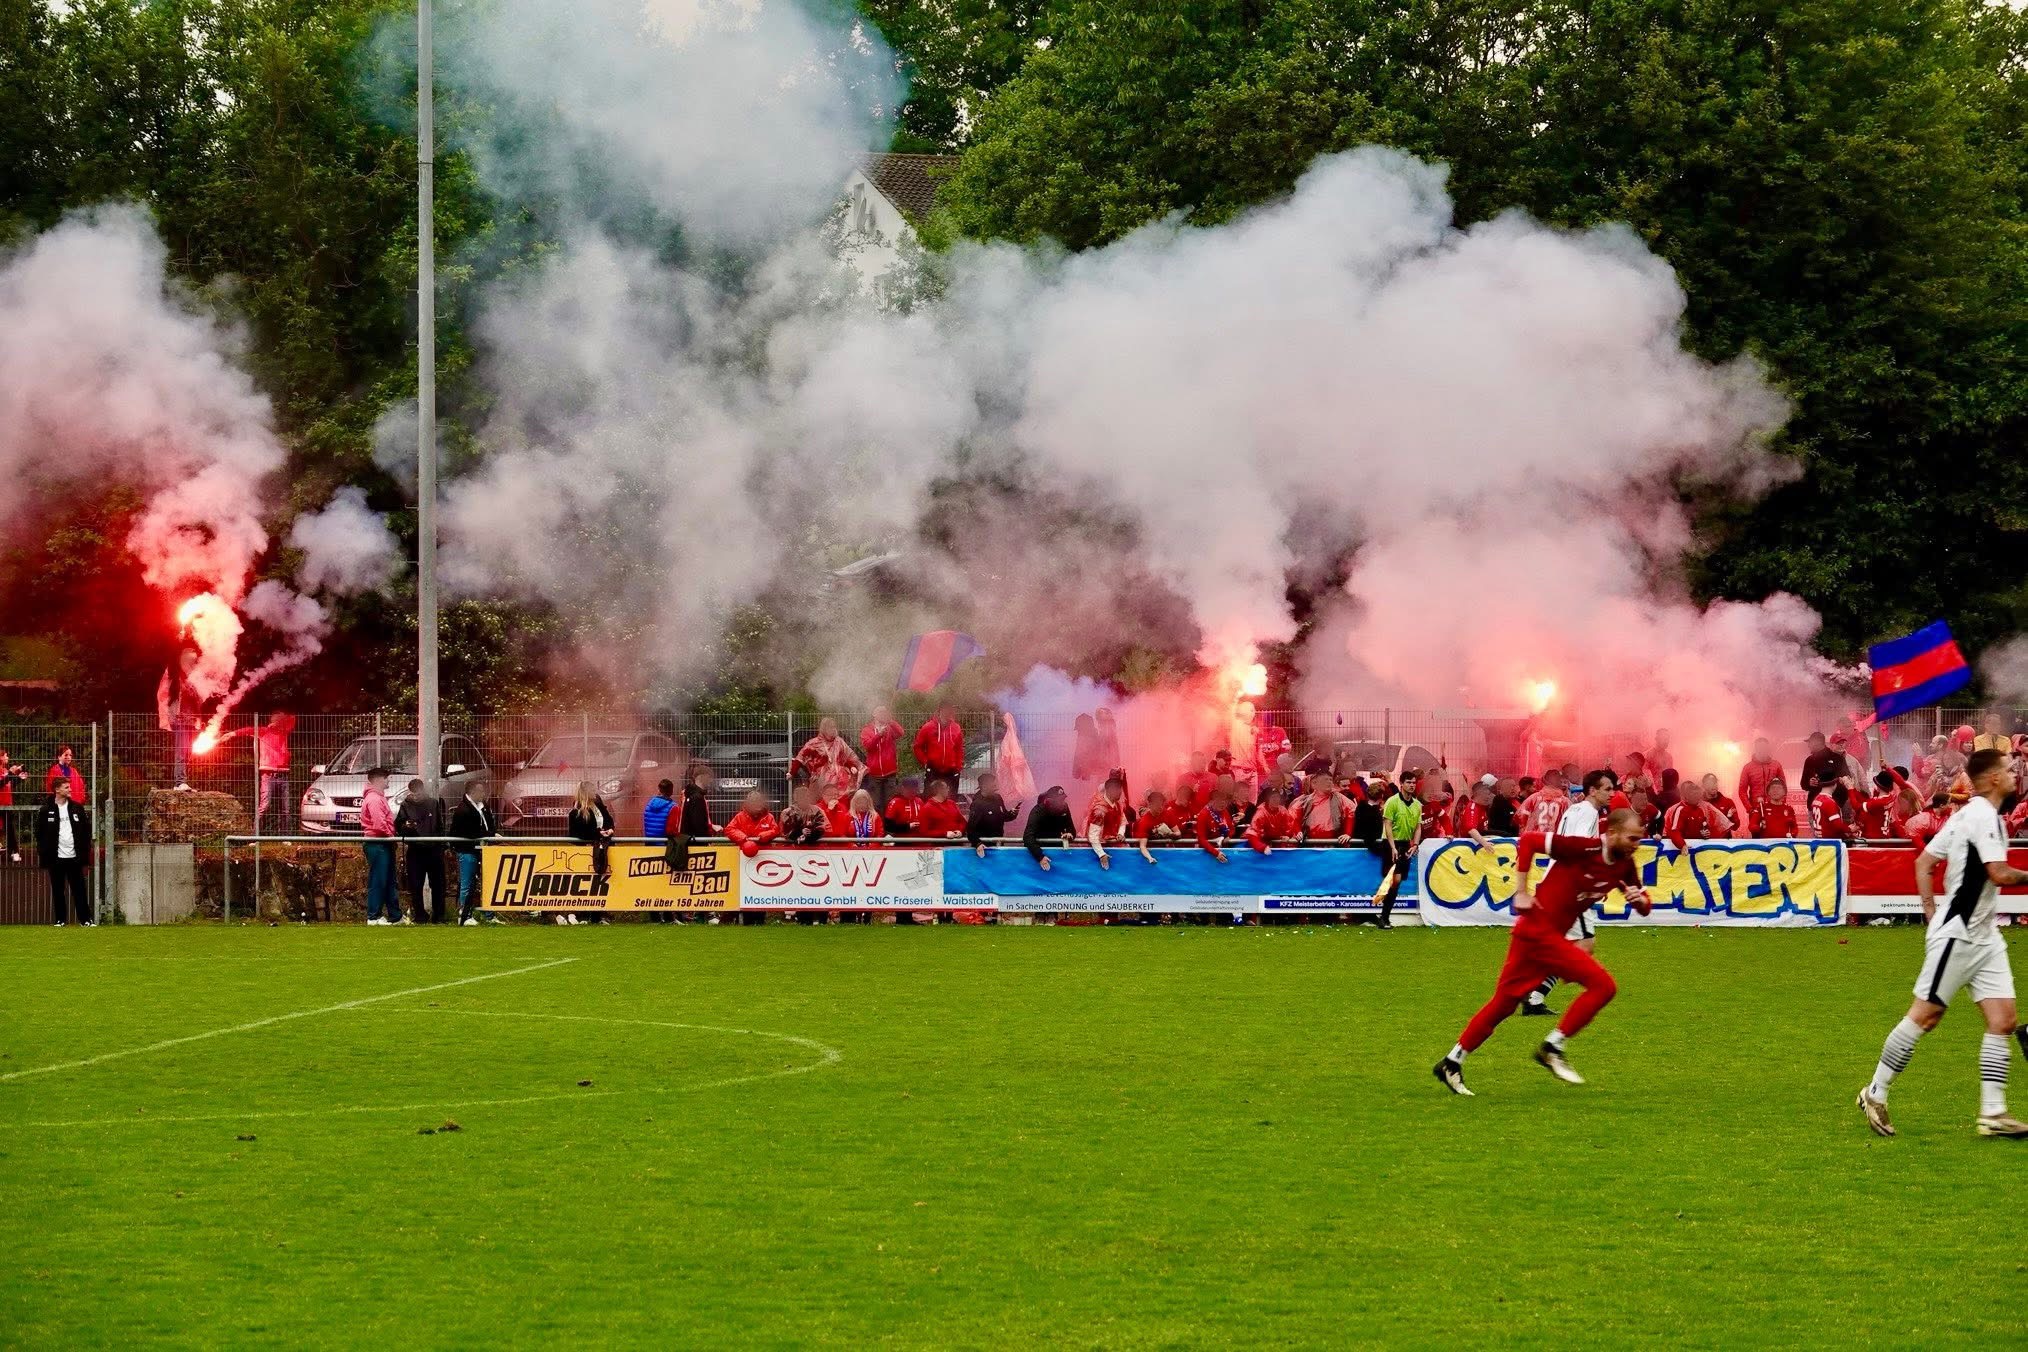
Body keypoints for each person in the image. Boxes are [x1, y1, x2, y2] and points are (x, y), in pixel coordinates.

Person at [1857, 748, 2028, 1138]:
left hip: (1984, 935)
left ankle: (1993, 1114)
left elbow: (1924, 864)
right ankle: (1876, 1092)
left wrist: (1930, 910)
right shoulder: (1981, 814)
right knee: (1925, 1017)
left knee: (2003, 1021)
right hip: (1961, 933)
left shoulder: (1968, 813)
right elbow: (1998, 874)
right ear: (1992, 779)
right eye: (2009, 769)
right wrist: (1937, 917)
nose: (2016, 774)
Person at [1433, 810, 1652, 1094]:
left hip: (1533, 935)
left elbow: (1645, 905)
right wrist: (1521, 890)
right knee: (1603, 985)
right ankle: (1552, 1046)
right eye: (1632, 838)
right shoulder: (1582, 848)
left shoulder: (1624, 866)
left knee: (1504, 1004)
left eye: (1639, 839)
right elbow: (1528, 840)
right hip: (1539, 933)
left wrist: (1640, 900)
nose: (1637, 844)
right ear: (1612, 833)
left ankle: (1452, 1061)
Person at [1520, 770, 1619, 1016]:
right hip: (1571, 887)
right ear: (1592, 790)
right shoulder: (1587, 812)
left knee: (1563, 943)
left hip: (1554, 881)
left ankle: (1532, 992)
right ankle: (1533, 991)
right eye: (1607, 789)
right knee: (1584, 944)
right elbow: (1581, 849)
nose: (1612, 793)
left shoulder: (1574, 809)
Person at [37, 776, 92, 927]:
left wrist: (84, 852)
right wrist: (44, 854)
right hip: (56, 858)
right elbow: (40, 835)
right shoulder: (45, 810)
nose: (70, 789)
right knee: (58, 890)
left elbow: (86, 832)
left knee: (79, 889)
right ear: (57, 789)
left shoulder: (77, 808)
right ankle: (60, 920)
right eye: (67, 787)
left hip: (74, 857)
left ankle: (86, 920)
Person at [1374, 771, 1423, 929]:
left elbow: (1418, 827)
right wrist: (1393, 847)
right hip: (1391, 843)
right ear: (1401, 784)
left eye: (1414, 783)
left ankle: (1384, 917)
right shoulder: (1392, 802)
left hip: (1405, 844)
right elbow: (1387, 824)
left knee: (1398, 881)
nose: (1412, 785)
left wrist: (1415, 844)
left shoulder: (1417, 805)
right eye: (1409, 782)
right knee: (1394, 880)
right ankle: (1383, 917)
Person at [396, 778, 448, 924]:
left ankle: (439, 915)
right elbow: (399, 827)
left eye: (418, 793)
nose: (416, 797)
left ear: (422, 790)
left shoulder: (433, 803)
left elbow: (440, 825)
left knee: (438, 884)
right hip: (416, 849)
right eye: (414, 794)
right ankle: (420, 915)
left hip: (433, 849)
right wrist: (407, 826)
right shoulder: (405, 805)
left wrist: (441, 844)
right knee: (415, 885)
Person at [565, 780, 618, 924]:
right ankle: (585, 913)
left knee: (601, 881)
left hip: (601, 848)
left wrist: (610, 830)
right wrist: (599, 833)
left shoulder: (598, 804)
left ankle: (598, 915)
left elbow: (609, 819)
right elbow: (577, 833)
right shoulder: (576, 812)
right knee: (588, 883)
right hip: (586, 851)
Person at [449, 781, 495, 926]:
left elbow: (489, 824)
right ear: (472, 792)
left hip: (484, 849)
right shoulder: (463, 810)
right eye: (480, 791)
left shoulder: (483, 806)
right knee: (467, 884)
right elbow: (470, 832)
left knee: (487, 882)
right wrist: (490, 834)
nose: (483, 794)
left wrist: (491, 834)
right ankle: (464, 916)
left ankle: (489, 915)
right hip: (467, 851)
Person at [360, 768, 400, 925]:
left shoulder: (376, 798)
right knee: (379, 879)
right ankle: (373, 916)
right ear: (379, 780)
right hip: (378, 842)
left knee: (388, 879)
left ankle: (394, 916)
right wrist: (391, 835)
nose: (388, 781)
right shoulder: (375, 799)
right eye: (386, 778)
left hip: (381, 842)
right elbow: (379, 824)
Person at [1086, 774, 1152, 868]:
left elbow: (1122, 821)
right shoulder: (1099, 810)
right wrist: (1101, 854)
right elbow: (1092, 836)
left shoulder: (1119, 805)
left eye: (1120, 789)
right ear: (1109, 789)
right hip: (1099, 850)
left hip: (1115, 847)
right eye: (1117, 789)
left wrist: (1121, 833)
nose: (1120, 792)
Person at [795, 718, 864, 799]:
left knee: (845, 794)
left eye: (834, 727)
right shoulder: (814, 743)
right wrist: (792, 772)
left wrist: (852, 766)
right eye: (830, 727)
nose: (833, 729)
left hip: (840, 777)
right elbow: (801, 756)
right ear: (824, 728)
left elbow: (848, 757)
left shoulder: (839, 742)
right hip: (822, 778)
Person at [912, 705, 966, 796]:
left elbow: (959, 748)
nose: (950, 712)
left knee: (950, 798)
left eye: (952, 710)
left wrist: (958, 766)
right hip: (934, 769)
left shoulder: (956, 728)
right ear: (941, 710)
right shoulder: (928, 727)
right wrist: (925, 762)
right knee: (931, 796)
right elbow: (917, 746)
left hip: (951, 769)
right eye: (948, 709)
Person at [1291, 771, 1357, 844]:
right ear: (1315, 784)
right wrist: (1298, 831)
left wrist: (1347, 833)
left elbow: (1351, 812)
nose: (1329, 782)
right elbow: (1294, 816)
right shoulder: (1306, 800)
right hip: (1310, 843)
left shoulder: (1339, 798)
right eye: (1325, 780)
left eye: (1330, 780)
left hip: (1334, 842)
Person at [1662, 778, 1728, 849]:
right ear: (1685, 796)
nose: (1697, 799)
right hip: (1680, 848)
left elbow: (1709, 827)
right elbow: (1672, 831)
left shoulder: (1702, 808)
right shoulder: (1677, 809)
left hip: (1698, 848)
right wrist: (1682, 845)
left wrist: (1705, 834)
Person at [859, 707, 905, 809]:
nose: (882, 714)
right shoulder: (867, 730)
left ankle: (889, 824)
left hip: (890, 772)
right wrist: (878, 735)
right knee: (876, 804)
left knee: (890, 802)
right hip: (875, 774)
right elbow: (868, 746)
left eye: (884, 712)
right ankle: (878, 823)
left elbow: (901, 732)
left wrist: (891, 721)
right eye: (880, 712)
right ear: (874, 714)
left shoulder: (889, 728)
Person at [965, 771, 1019, 856]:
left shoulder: (998, 798)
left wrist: (1012, 813)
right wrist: (977, 844)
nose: (996, 787)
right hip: (984, 848)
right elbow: (970, 830)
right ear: (984, 786)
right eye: (993, 785)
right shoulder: (977, 804)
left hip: (998, 843)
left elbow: (1004, 816)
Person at [1023, 786, 1076, 869]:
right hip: (1040, 850)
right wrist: (1040, 856)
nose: (1061, 803)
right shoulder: (1038, 811)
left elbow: (1072, 830)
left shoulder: (1064, 807)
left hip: (1058, 851)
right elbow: (1028, 837)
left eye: (1062, 800)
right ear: (1049, 801)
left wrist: (1069, 834)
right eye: (1058, 801)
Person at [1737, 738, 1785, 820]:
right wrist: (1750, 809)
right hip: (1756, 810)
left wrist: (1781, 805)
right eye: (1760, 748)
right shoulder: (1748, 768)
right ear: (1756, 749)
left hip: (1774, 808)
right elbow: (1742, 790)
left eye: (1764, 748)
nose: (1762, 750)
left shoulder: (1776, 765)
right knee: (1757, 832)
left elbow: (1783, 787)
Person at [724, 791, 782, 858]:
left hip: (765, 854)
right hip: (743, 854)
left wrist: (765, 835)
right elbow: (729, 829)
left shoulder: (769, 817)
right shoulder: (740, 816)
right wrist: (743, 837)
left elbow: (776, 830)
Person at [1194, 782, 1240, 863]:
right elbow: (1201, 839)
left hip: (1223, 850)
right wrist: (1215, 853)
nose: (1222, 804)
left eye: (1224, 801)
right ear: (1211, 802)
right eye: (1219, 801)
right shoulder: (1203, 814)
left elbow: (1232, 828)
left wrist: (1229, 836)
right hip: (1207, 853)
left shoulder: (1224, 811)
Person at [1520, 769, 1569, 836]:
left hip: (1534, 840)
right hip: (1555, 841)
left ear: (1545, 782)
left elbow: (1520, 817)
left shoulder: (1533, 798)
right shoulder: (1565, 802)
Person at [1800, 732, 1845, 798]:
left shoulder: (1837, 758)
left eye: (1810, 742)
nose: (1808, 745)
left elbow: (1846, 780)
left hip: (1833, 802)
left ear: (1817, 742)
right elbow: (1803, 784)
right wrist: (1809, 783)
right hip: (1815, 803)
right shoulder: (1809, 760)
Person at [0, 750, 25, 863]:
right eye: (5, 755)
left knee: (9, 828)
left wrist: (19, 778)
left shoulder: (5, 770)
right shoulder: (5, 771)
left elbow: (8, 785)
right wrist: (10, 774)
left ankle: (14, 851)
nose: (7, 757)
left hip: (7, 804)